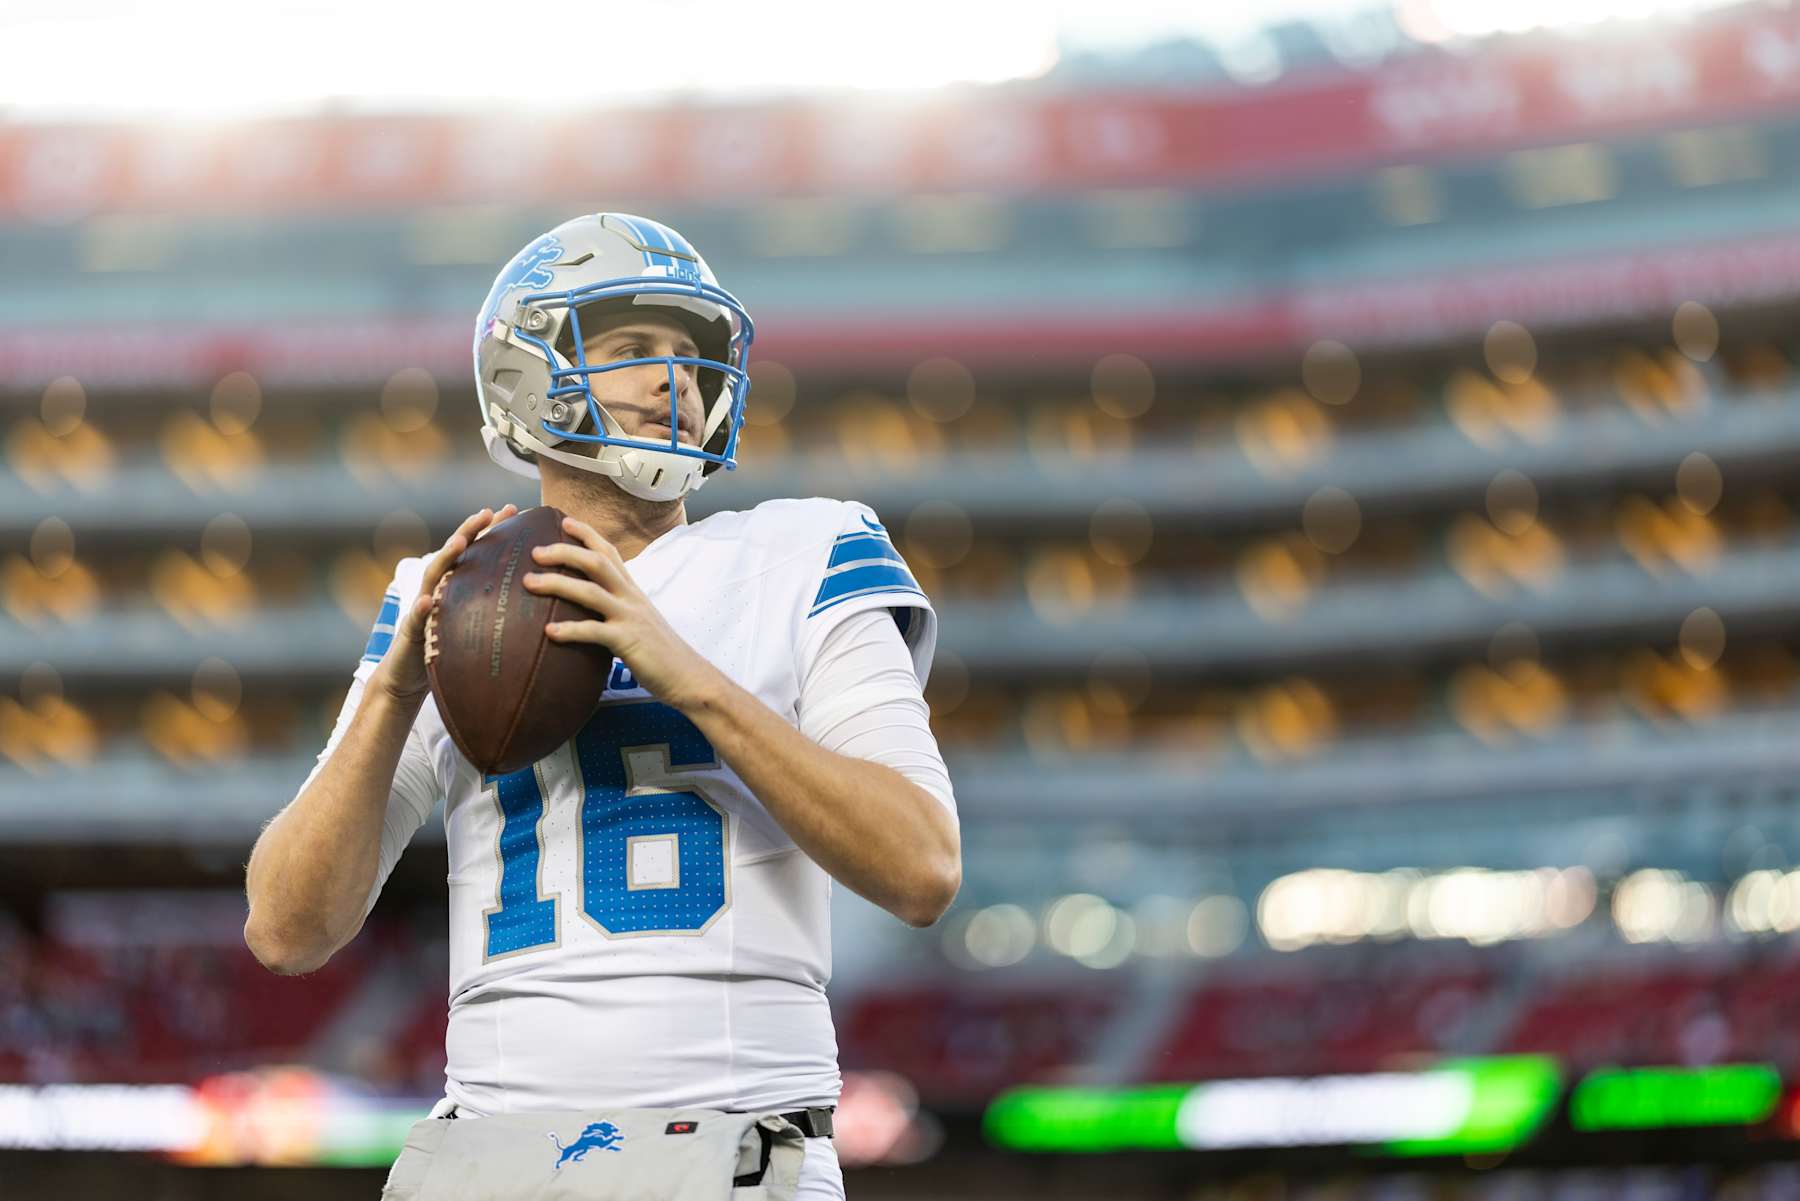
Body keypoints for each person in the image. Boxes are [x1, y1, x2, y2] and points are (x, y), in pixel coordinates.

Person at [242, 212, 962, 1200]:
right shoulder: (454, 593)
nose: (676, 377)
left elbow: (922, 865)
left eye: (691, 354)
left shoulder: (809, 551)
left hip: (739, 1144)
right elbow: (286, 931)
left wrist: (687, 674)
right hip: (491, 1149)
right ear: (525, 376)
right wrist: (396, 691)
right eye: (631, 348)